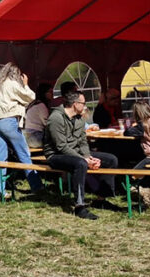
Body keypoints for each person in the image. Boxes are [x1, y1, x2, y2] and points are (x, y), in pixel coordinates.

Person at [44, 91, 119, 220]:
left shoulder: (79, 119)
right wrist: (84, 159)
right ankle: (79, 206)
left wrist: (88, 156)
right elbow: (61, 147)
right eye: (83, 103)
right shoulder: (56, 118)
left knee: (111, 159)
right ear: (75, 104)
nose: (85, 106)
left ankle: (102, 199)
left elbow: (83, 141)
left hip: (76, 154)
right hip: (56, 156)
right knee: (80, 164)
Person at [0, 63, 43, 199]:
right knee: (24, 155)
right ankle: (37, 187)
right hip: (9, 122)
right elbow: (30, 97)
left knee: (0, 159)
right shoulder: (12, 84)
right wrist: (25, 84)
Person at [23, 83, 54, 148]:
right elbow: (47, 123)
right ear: (44, 93)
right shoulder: (41, 106)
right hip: (35, 137)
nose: (52, 94)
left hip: (27, 136)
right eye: (50, 92)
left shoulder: (33, 103)